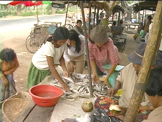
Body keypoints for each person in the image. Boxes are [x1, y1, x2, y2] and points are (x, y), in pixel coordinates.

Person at [108, 42, 154, 116]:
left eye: (139, 64)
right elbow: (120, 78)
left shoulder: (153, 77)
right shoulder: (130, 67)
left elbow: (151, 106)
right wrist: (115, 88)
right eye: (134, 62)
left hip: (140, 111)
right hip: (123, 104)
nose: (135, 65)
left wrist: (128, 109)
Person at [27, 27, 70, 92]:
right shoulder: (49, 46)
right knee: (37, 89)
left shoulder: (63, 44)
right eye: (60, 42)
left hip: (47, 68)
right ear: (56, 39)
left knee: (46, 88)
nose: (62, 44)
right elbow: (51, 67)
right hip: (39, 66)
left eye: (64, 42)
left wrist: (64, 69)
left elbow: (61, 57)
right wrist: (62, 83)